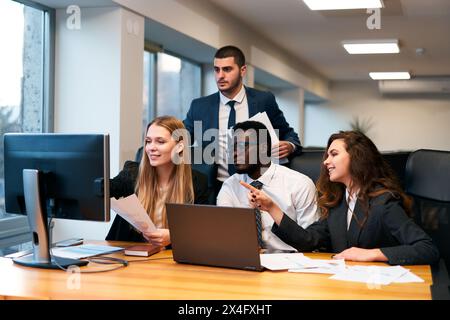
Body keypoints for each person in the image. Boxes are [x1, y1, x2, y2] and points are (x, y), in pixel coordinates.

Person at [242, 130, 440, 265]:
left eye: (333, 154)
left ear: (357, 157)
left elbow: (427, 248)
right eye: (327, 156)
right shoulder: (338, 204)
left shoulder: (383, 203)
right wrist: (271, 208)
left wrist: (371, 254)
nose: (326, 161)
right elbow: (307, 241)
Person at [184, 45, 302, 199]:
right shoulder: (199, 106)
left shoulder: (263, 100)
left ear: (242, 70)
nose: (220, 75)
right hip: (215, 186)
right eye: (216, 69)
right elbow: (182, 138)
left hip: (258, 185)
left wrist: (289, 145)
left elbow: (289, 134)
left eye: (227, 69)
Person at [106, 116, 210, 247]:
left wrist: (174, 236)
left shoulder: (197, 182)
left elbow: (203, 231)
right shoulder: (132, 174)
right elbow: (105, 189)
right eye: (148, 141)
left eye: (160, 142)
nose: (151, 148)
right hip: (130, 256)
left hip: (169, 260)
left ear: (179, 147)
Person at [217, 120, 318, 252]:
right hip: (245, 260)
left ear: (264, 148)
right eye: (232, 148)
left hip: (290, 262)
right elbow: (223, 233)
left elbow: (310, 241)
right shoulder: (230, 185)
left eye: (242, 146)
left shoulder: (299, 184)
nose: (234, 153)